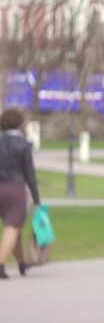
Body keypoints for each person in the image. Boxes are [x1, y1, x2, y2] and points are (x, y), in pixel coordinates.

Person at [0, 108, 41, 279]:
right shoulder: (23, 145)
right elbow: (29, 173)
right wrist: (37, 198)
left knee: (13, 228)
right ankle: (1, 264)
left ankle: (21, 262)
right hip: (15, 188)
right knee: (13, 227)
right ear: (20, 123)